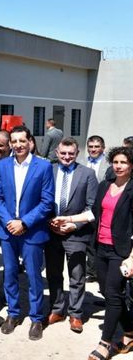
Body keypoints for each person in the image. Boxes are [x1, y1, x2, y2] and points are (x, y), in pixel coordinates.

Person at [53, 147, 133, 359]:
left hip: (121, 251)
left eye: (123, 162)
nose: (118, 166)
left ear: (131, 165)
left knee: (114, 295)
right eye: (115, 162)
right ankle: (131, 330)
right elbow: (92, 213)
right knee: (107, 293)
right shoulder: (105, 185)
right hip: (100, 247)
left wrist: (132, 258)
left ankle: (105, 344)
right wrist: (68, 219)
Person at [0, 126, 54, 341]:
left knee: (34, 276)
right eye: (14, 141)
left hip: (32, 231)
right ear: (10, 144)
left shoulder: (44, 167)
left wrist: (24, 223)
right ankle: (13, 314)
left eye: (22, 141)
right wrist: (10, 221)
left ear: (30, 142)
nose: (18, 145)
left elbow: (47, 203)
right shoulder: (2, 165)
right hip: (8, 231)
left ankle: (36, 318)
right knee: (9, 274)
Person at [44, 137, 97, 334]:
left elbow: (92, 206)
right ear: (57, 153)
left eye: (71, 154)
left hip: (76, 233)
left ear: (77, 154)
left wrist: (73, 225)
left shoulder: (88, 174)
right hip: (51, 232)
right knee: (54, 273)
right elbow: (42, 199)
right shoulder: (49, 170)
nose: (67, 157)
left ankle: (76, 314)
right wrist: (50, 222)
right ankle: (57, 309)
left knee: (76, 276)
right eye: (63, 153)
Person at [83, 135, 108, 283]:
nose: (93, 149)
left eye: (96, 147)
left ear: (103, 148)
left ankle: (99, 272)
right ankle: (92, 271)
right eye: (91, 147)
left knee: (99, 241)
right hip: (85, 208)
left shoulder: (110, 165)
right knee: (89, 241)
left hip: (102, 208)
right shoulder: (82, 162)